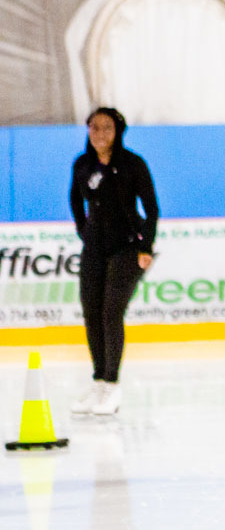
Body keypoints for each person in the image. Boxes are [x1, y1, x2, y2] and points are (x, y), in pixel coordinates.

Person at [68, 107, 158, 417]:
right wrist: (83, 230)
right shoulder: (83, 164)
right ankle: (98, 382)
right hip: (94, 247)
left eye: (106, 128)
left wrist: (146, 246)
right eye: (94, 127)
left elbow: (151, 208)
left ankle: (113, 384)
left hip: (127, 248)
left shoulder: (132, 164)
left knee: (111, 312)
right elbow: (74, 199)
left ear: (118, 131)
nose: (100, 134)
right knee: (91, 312)